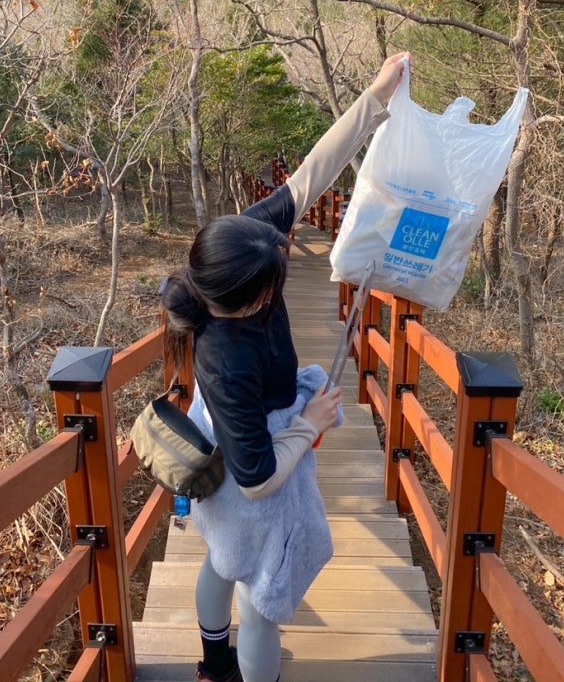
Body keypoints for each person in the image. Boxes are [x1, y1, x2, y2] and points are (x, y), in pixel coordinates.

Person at [161, 52, 410, 682]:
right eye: (270, 290)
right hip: (247, 454)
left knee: (219, 559)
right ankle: (234, 666)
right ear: (240, 300)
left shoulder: (241, 240)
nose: (280, 288)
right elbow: (258, 480)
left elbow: (309, 177)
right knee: (262, 601)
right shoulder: (226, 357)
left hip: (231, 432)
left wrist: (374, 100)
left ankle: (214, 661)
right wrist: (311, 420)